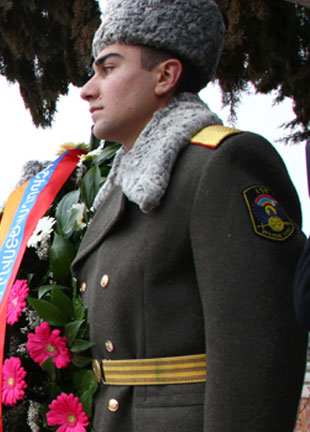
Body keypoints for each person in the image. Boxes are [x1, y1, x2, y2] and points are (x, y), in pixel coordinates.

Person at [72, 0, 307, 431]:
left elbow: (256, 353)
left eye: (108, 68)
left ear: (165, 76)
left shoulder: (222, 165)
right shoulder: (118, 186)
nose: (87, 88)